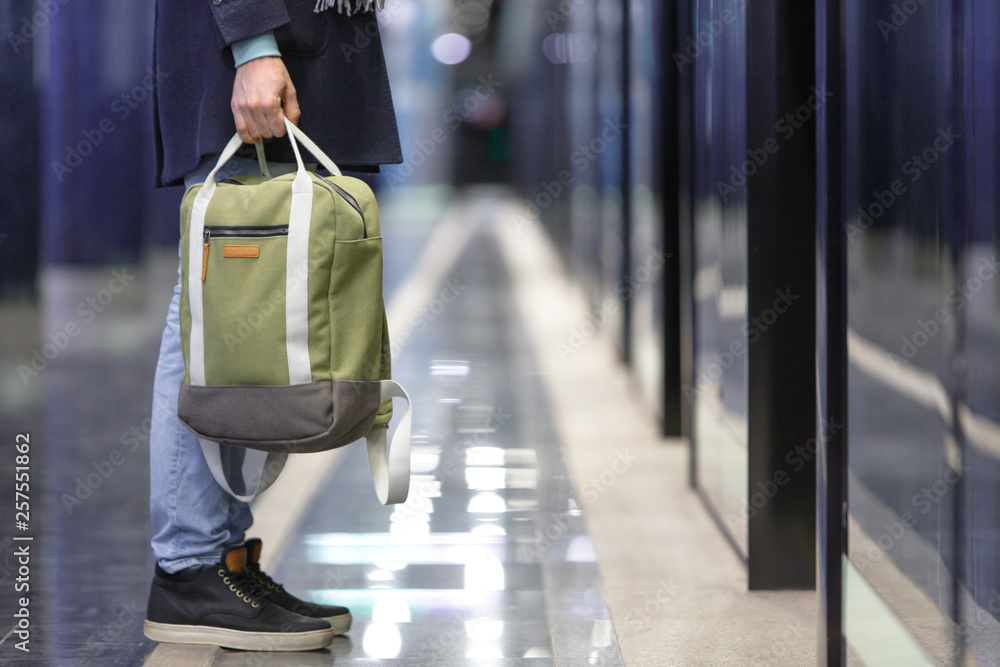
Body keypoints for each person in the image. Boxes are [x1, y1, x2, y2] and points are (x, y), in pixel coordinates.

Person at [143, 0, 401, 651]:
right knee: (211, 302)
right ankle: (188, 567)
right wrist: (253, 45)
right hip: (254, 47)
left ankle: (224, 562)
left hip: (297, 47)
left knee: (237, 312)